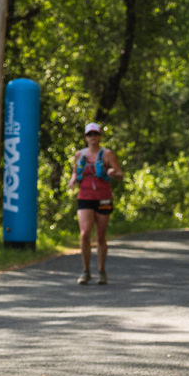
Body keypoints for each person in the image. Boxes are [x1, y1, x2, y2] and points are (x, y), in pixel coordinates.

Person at [67, 121, 123, 284]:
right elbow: (74, 173)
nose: (93, 137)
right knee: (85, 234)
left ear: (100, 136)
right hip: (84, 196)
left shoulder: (107, 154)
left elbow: (120, 174)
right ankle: (85, 271)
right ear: (85, 137)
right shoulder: (79, 155)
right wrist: (72, 181)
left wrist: (112, 172)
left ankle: (101, 271)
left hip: (103, 197)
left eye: (95, 134)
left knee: (100, 236)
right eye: (89, 134)